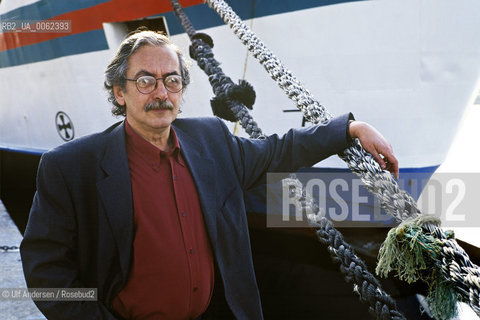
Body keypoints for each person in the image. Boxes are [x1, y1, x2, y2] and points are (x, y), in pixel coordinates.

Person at [20, 30, 398, 320]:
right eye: (145, 80)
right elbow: (46, 272)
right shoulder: (71, 166)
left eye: (172, 80)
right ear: (120, 92)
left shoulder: (211, 139)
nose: (161, 93)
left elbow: (277, 149)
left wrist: (348, 129)